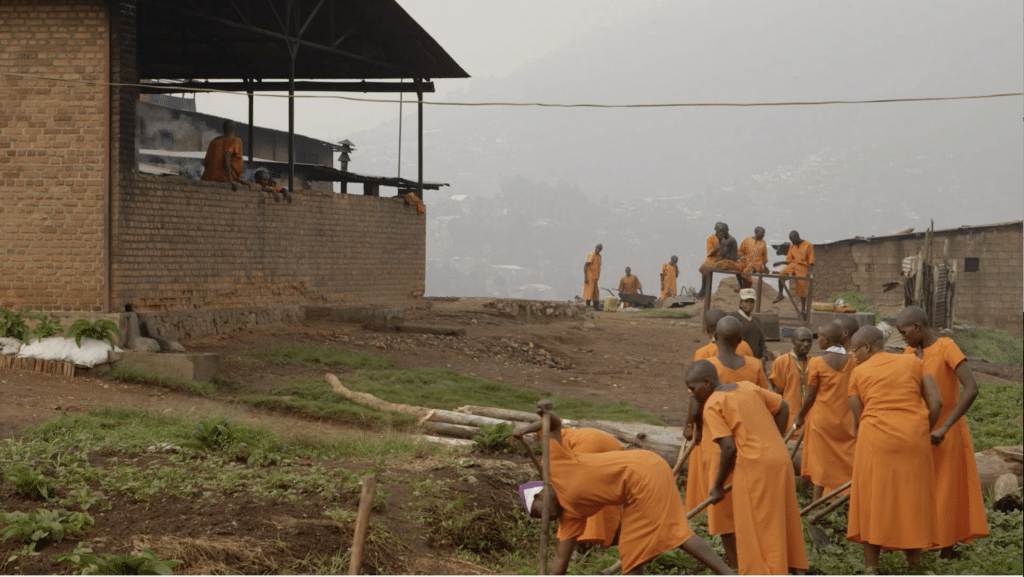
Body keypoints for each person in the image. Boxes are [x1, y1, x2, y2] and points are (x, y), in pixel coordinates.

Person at [519, 402, 732, 575]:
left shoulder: (554, 467)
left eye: (540, 511)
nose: (549, 517)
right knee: (632, 552)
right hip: (637, 484)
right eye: (543, 520)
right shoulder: (570, 518)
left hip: (643, 473)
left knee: (673, 533)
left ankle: (728, 573)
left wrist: (542, 416)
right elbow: (560, 559)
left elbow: (554, 425)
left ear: (539, 494)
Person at [686, 360, 808, 575]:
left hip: (754, 468)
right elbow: (783, 407)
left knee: (759, 524)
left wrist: (717, 485)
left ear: (706, 381)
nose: (693, 394)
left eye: (694, 388)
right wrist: (775, 440)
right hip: (780, 460)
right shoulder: (746, 386)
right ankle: (793, 568)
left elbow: (729, 449)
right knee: (784, 516)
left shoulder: (714, 404)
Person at [895, 306, 989, 558]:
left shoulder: (946, 347)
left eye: (904, 332)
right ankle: (921, 541)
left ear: (918, 327)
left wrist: (946, 425)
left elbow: (971, 388)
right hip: (921, 431)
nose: (903, 338)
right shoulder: (908, 354)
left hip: (947, 431)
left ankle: (946, 548)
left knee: (947, 490)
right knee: (921, 488)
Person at [846, 326, 942, 572]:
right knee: (913, 498)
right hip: (913, 439)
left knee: (871, 498)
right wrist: (921, 430)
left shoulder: (858, 372)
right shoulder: (913, 362)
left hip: (875, 440)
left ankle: (871, 566)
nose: (853, 354)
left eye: (855, 349)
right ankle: (913, 564)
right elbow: (936, 402)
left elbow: (859, 415)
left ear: (868, 347)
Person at [691, 316, 770, 569]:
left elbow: (694, 403)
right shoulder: (755, 365)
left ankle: (736, 566)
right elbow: (769, 402)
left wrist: (693, 428)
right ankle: (754, 560)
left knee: (722, 508)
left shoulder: (707, 366)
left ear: (714, 336)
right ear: (740, 341)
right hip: (750, 442)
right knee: (750, 502)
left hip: (717, 442)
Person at [514, 418, 623, 549]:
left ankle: (584, 541)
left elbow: (547, 420)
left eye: (538, 513)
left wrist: (522, 430)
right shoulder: (554, 449)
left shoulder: (551, 458)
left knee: (582, 495)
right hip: (612, 449)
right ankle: (609, 537)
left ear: (539, 496)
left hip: (587, 448)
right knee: (601, 495)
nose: (544, 517)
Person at [793, 323, 856, 502]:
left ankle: (816, 501)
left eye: (818, 337)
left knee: (820, 462)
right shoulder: (852, 360)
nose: (816, 340)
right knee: (846, 459)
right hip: (845, 418)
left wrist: (800, 415)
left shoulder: (817, 363)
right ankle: (846, 497)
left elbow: (811, 395)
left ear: (826, 340)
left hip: (822, 421)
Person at [768, 327, 813, 434]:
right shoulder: (782, 362)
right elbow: (777, 395)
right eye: (802, 341)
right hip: (788, 423)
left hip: (810, 424)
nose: (806, 344)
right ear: (793, 341)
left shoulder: (814, 363)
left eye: (809, 341)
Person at [773, 231, 814, 309]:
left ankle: (803, 310)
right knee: (781, 274)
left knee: (802, 288)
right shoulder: (792, 246)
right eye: (791, 240)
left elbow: (811, 261)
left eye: (793, 240)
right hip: (793, 265)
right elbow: (789, 261)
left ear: (797, 237)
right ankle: (780, 294)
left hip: (803, 266)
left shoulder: (808, 245)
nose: (792, 242)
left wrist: (810, 271)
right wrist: (780, 262)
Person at [729, 288, 771, 364]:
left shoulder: (757, 321)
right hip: (740, 362)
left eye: (751, 302)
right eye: (746, 301)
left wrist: (764, 357)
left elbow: (762, 343)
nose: (749, 304)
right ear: (741, 303)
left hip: (756, 362)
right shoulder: (734, 319)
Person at [201, 120, 244, 190]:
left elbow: (206, 162)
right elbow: (227, 155)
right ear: (235, 129)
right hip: (225, 180)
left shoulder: (214, 141)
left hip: (208, 178)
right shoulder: (236, 140)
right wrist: (230, 179)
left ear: (223, 129)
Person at [696, 223, 725, 298]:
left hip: (721, 259)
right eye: (719, 229)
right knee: (704, 267)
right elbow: (710, 253)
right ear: (715, 229)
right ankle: (703, 289)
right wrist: (719, 247)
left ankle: (704, 290)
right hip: (712, 258)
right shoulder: (710, 238)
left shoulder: (726, 239)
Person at [582, 244, 603, 310]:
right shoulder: (591, 254)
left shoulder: (599, 256)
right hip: (589, 276)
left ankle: (596, 306)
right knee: (589, 291)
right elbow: (585, 265)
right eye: (597, 248)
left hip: (595, 277)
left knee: (595, 292)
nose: (598, 249)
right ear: (595, 247)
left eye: (600, 249)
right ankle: (588, 306)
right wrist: (585, 277)